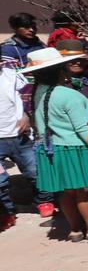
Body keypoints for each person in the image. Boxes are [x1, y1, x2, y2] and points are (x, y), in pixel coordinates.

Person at [21, 46, 88, 241]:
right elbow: (85, 129)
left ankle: (75, 230)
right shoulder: (69, 95)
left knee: (65, 192)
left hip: (49, 149)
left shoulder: (38, 93)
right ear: (61, 70)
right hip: (72, 149)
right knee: (83, 190)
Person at [0, 57, 38, 232]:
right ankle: (8, 211)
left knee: (33, 171)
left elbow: (28, 95)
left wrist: (26, 115)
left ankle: (44, 201)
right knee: (0, 181)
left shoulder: (11, 75)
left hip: (18, 134)